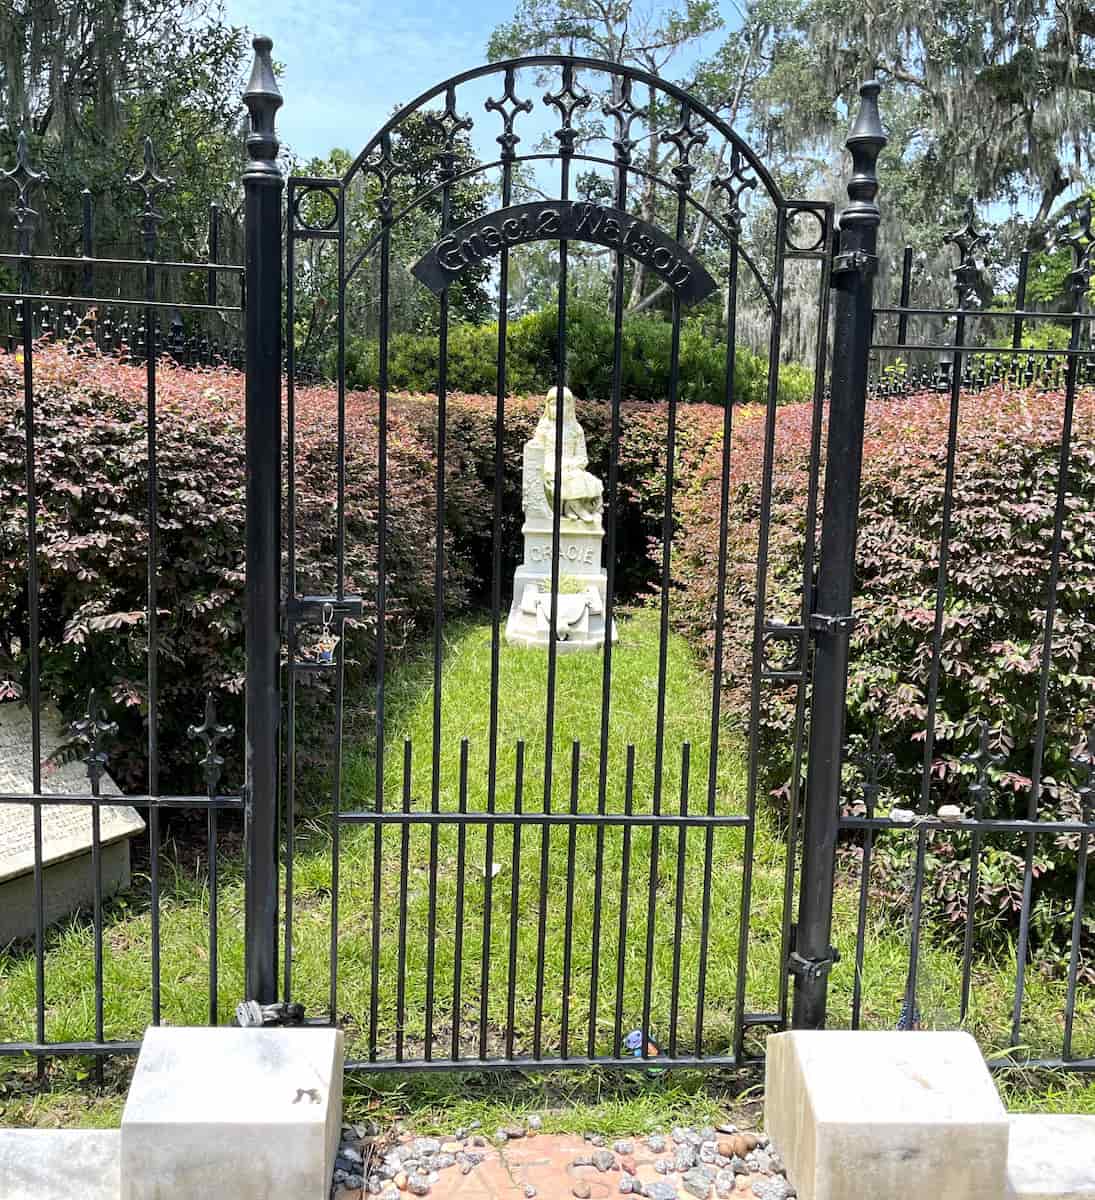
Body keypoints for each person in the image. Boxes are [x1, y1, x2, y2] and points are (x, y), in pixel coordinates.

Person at [532, 385, 603, 522]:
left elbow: (582, 457)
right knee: (560, 477)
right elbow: (536, 451)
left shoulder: (576, 429)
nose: (558, 408)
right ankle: (574, 506)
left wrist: (572, 464)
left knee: (582, 479)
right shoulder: (544, 427)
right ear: (548, 406)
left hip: (571, 466)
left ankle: (571, 506)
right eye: (553, 404)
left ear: (570, 407)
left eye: (562, 404)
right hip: (549, 466)